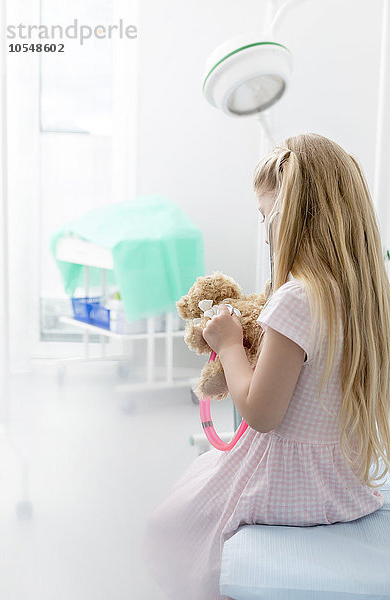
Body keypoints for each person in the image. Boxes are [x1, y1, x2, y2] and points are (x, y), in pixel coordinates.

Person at [141, 133, 390, 600]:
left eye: (266, 219)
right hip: (344, 479)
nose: (269, 233)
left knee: (168, 526)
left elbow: (260, 412)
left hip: (296, 485)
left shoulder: (298, 297)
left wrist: (229, 343)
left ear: (291, 217)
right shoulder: (366, 296)